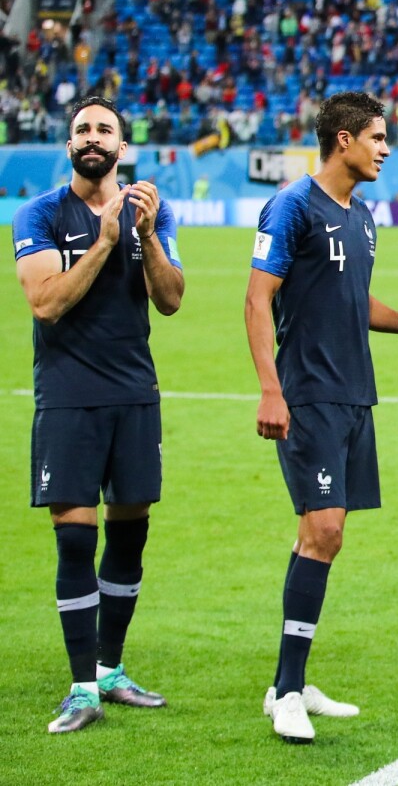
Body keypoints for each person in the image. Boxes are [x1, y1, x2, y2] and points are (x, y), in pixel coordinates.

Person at [246, 92, 398, 744]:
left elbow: (353, 301)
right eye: (378, 137)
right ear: (343, 140)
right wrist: (271, 390)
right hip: (307, 397)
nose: (386, 148)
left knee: (322, 536)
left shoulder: (361, 218)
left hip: (354, 397)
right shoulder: (291, 206)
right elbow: (257, 300)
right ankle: (287, 691)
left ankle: (290, 683)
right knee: (324, 532)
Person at [12, 95, 184, 733]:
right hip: (69, 395)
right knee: (76, 533)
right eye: (82, 129)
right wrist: (106, 241)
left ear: (122, 144)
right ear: (69, 146)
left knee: (131, 529)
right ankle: (81, 685)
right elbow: (46, 303)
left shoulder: (150, 211)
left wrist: (143, 235)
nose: (92, 137)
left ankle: (110, 670)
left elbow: (169, 301)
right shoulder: (42, 213)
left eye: (104, 129)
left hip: (135, 391)